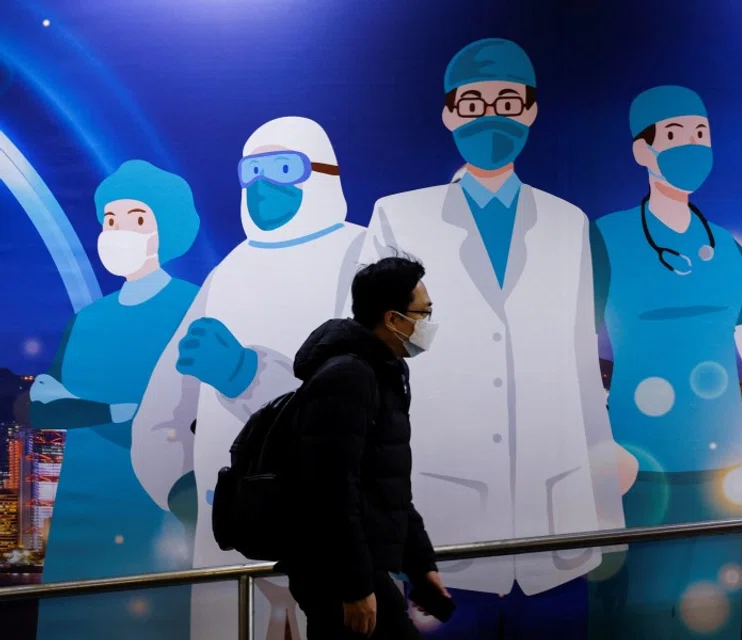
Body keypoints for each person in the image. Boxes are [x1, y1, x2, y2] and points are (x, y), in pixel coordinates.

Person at [355, 38, 628, 639]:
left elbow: (585, 371)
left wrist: (608, 515)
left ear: (531, 111)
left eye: (508, 101)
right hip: (442, 522)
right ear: (449, 113)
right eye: (474, 103)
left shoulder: (568, 222)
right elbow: (371, 369)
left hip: (558, 522)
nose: (491, 117)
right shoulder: (399, 217)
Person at [590, 86, 742, 639]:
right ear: (642, 150)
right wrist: (603, 440)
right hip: (634, 476)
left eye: (700, 134)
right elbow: (566, 353)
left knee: (710, 621)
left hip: (718, 481)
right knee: (631, 621)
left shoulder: (728, 252)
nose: (691, 145)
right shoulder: (608, 238)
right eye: (674, 135)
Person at [131, 116, 365, 640]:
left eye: (284, 168)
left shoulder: (362, 257)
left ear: (322, 174)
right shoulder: (228, 271)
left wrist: (247, 376)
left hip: (327, 528)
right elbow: (161, 410)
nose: (264, 185)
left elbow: (353, 403)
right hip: (228, 531)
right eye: (252, 170)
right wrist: (179, 492)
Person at [29, 159, 200, 640]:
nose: (120, 230)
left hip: (155, 508)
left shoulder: (192, 306)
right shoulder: (88, 320)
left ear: (165, 229)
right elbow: (42, 404)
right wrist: (111, 411)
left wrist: (89, 409)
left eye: (137, 219)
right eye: (110, 220)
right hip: (82, 511)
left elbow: (180, 416)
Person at [285, 255, 449, 639]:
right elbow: (330, 489)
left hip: (357, 568)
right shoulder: (349, 376)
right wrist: (355, 586)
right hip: (338, 575)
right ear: (393, 319)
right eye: (423, 314)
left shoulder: (385, 371)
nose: (428, 323)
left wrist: (420, 563)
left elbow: (385, 484)